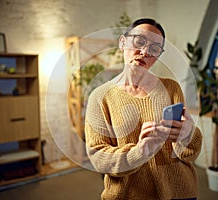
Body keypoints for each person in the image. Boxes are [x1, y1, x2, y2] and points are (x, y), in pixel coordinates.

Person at [85, 18, 202, 200]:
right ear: (123, 42)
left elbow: (188, 153)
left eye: (155, 49)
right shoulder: (100, 97)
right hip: (129, 195)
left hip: (180, 191)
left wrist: (188, 134)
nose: (145, 52)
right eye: (139, 41)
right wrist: (140, 152)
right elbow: (98, 158)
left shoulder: (171, 88)